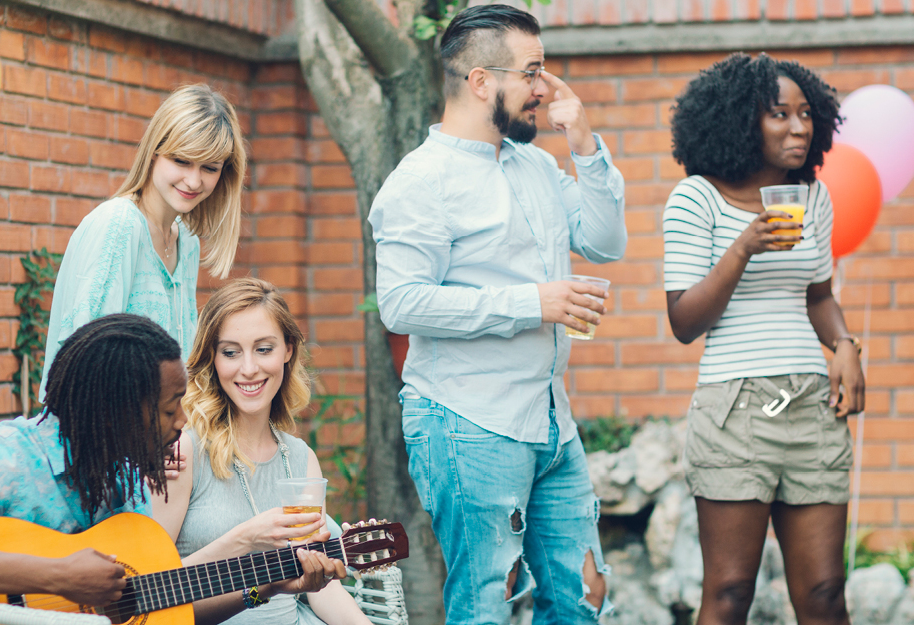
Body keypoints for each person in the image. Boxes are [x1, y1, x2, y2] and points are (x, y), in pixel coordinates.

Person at [368, 5, 626, 624]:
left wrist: (584, 143)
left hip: (551, 422)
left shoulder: (535, 163)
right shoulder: (419, 181)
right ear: (482, 81)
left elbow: (606, 240)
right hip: (468, 422)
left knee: (581, 598)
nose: (543, 88)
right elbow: (403, 302)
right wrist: (531, 303)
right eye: (531, 72)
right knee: (487, 608)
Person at [0, 314, 343, 612]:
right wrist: (55, 576)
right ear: (119, 410)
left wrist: (265, 586)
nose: (183, 421)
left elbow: (158, 606)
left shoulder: (127, 482)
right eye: (170, 407)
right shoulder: (9, 456)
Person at [664, 53, 864, 625]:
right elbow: (684, 322)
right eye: (780, 114)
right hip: (736, 407)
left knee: (825, 591)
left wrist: (845, 345)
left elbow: (818, 296)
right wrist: (743, 248)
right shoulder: (696, 198)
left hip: (811, 407)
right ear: (738, 120)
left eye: (806, 115)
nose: (799, 128)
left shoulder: (812, 199)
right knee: (729, 593)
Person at [151, 278, 371, 625]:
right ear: (212, 358)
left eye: (264, 349)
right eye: (231, 352)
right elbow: (151, 590)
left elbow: (319, 587)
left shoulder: (300, 459)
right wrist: (244, 539)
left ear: (287, 350)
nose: (249, 368)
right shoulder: (183, 454)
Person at [39, 83, 247, 399]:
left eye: (209, 168)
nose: (194, 180)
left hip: (161, 440)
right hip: (102, 439)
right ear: (153, 152)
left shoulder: (186, 240)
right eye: (181, 160)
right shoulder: (120, 225)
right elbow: (84, 363)